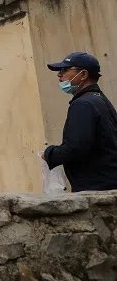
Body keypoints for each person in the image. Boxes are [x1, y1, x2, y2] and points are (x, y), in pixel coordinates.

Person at [44, 52, 117, 191]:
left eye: (65, 70)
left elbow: (74, 149)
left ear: (83, 75)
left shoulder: (84, 104)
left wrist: (48, 154)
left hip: (98, 191)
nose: (60, 75)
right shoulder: (98, 99)